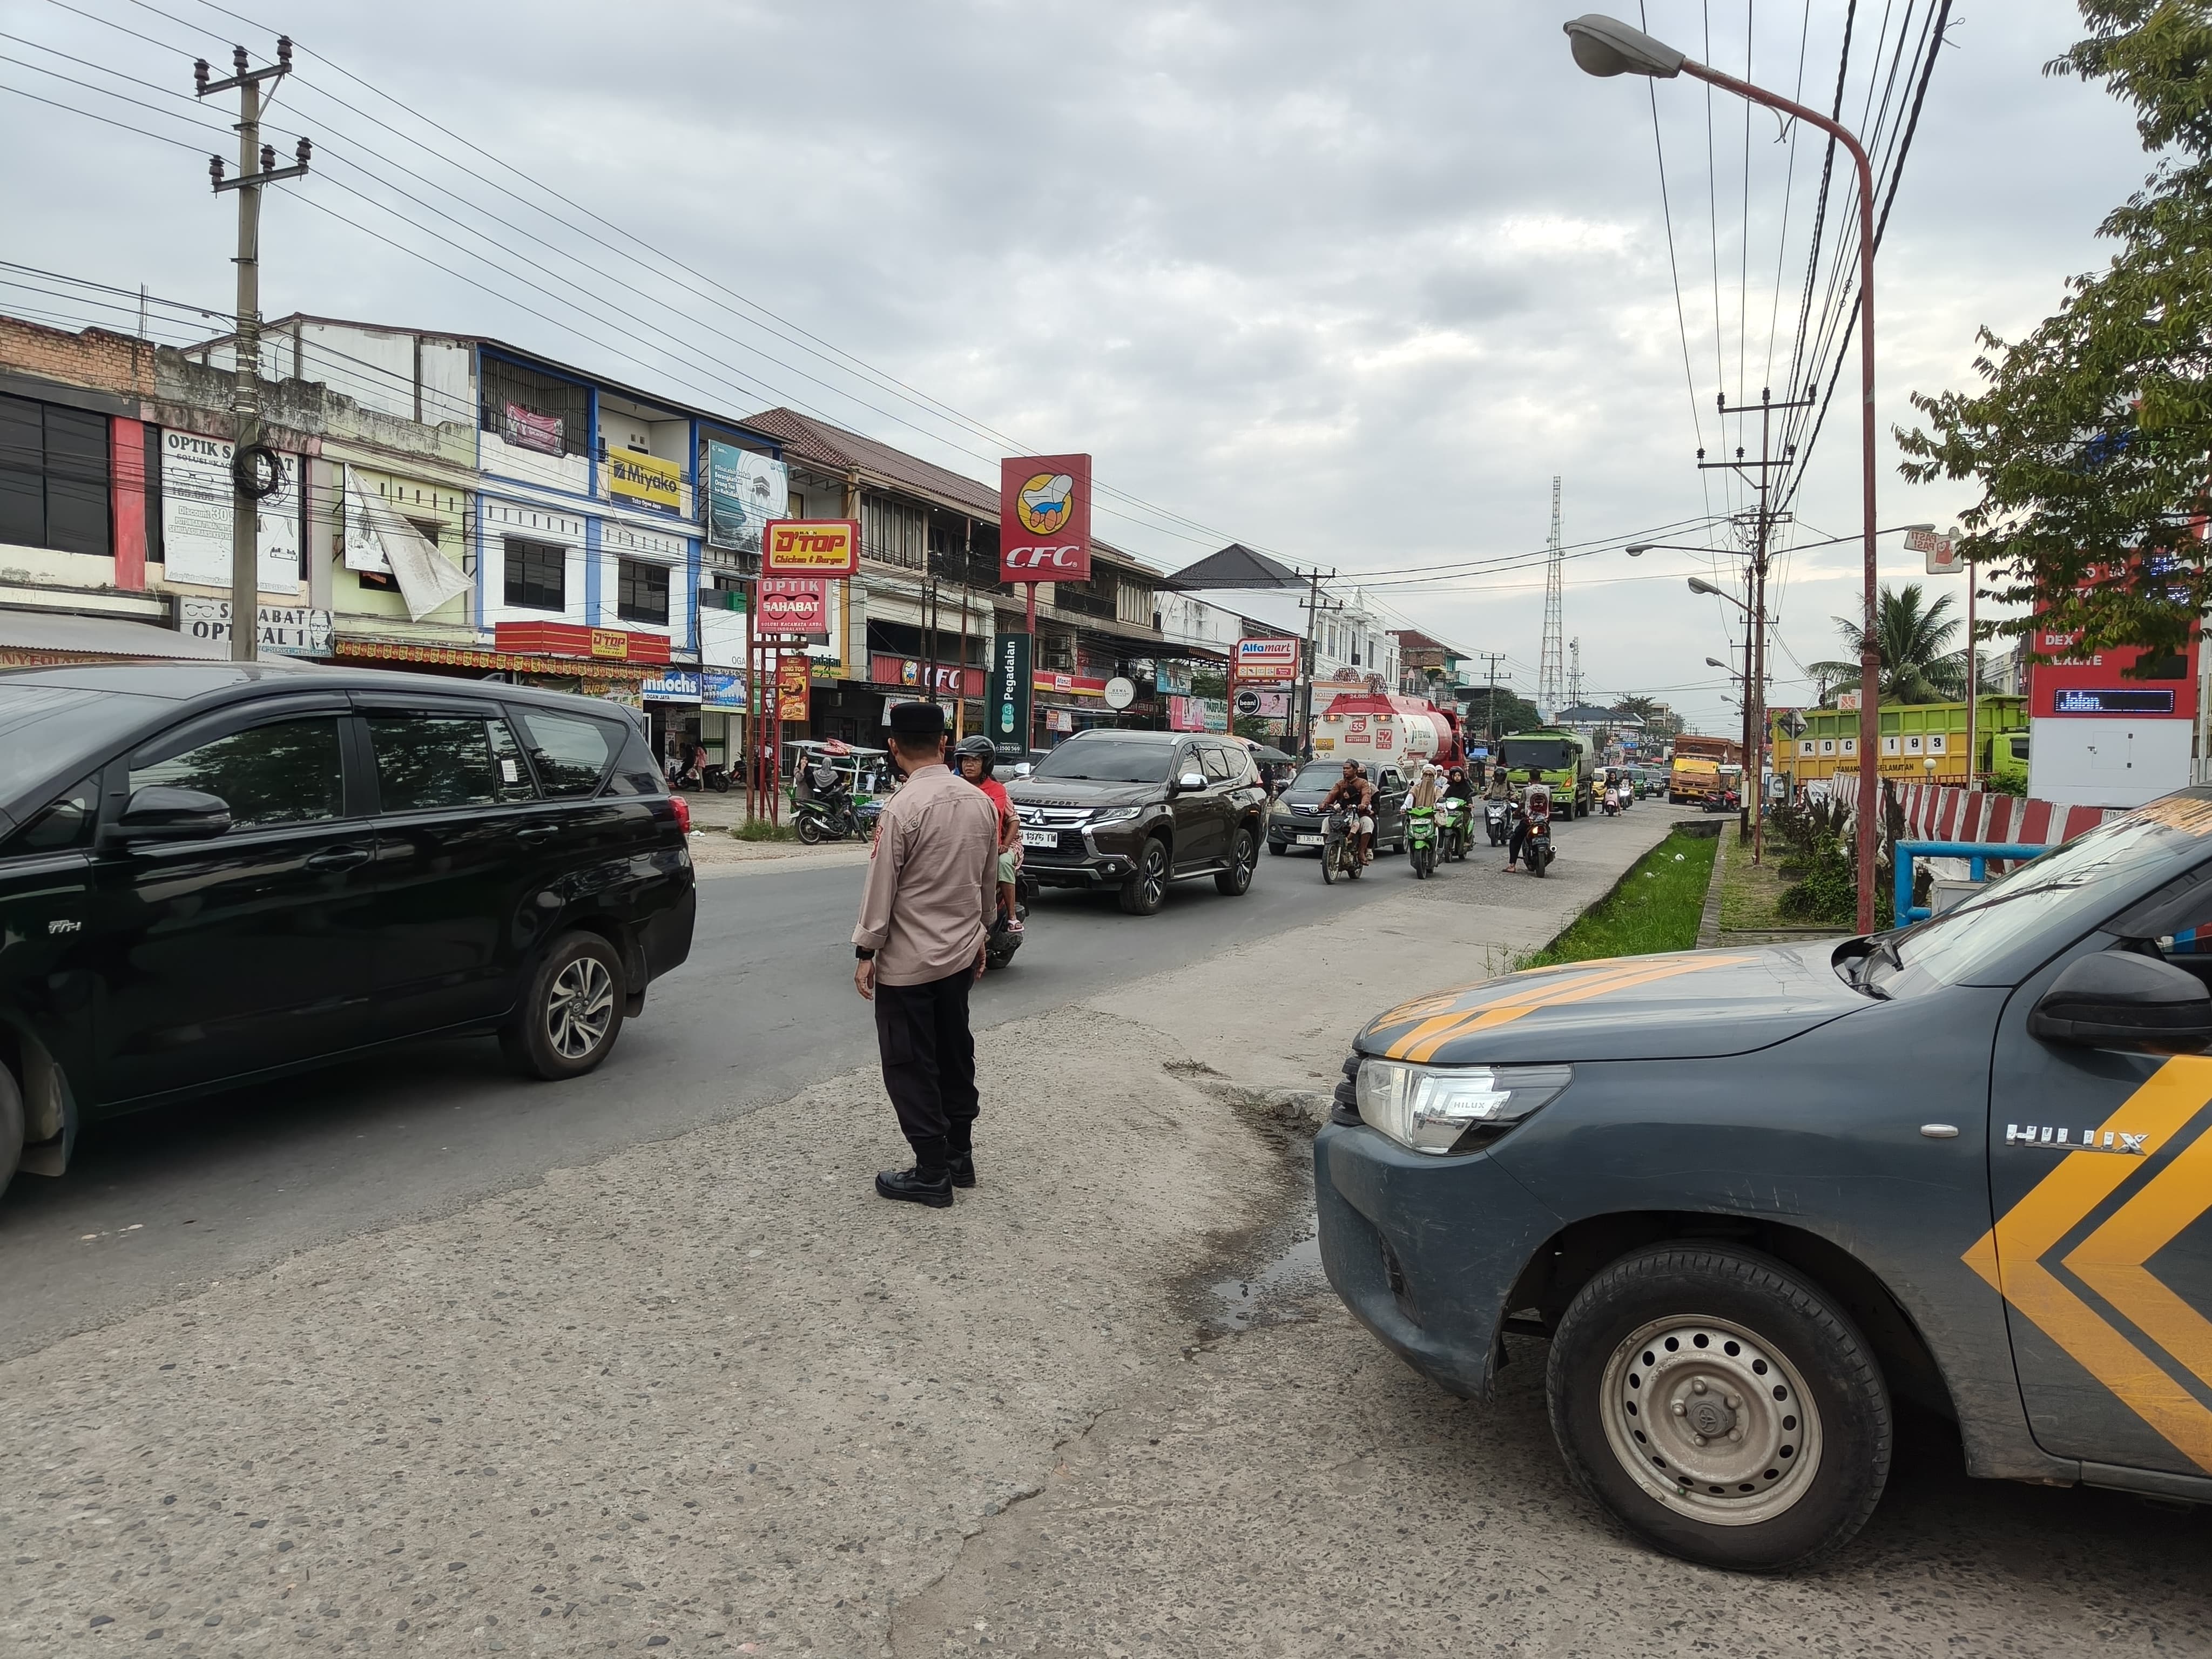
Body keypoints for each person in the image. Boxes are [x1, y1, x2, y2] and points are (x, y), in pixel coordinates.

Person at [852, 701, 1001, 1209]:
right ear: (945, 745)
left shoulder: (902, 808)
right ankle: (960, 1156)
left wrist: (866, 950)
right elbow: (987, 886)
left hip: (909, 965)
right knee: (954, 1053)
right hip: (960, 957)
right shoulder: (980, 802)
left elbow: (881, 890)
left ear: (893, 748)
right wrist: (982, 935)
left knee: (911, 1062)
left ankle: (931, 1172)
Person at [954, 733, 1022, 933]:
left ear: (986, 763)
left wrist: (1005, 845)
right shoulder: (954, 787)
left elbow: (1014, 820)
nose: (969, 765)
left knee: (1003, 864)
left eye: (975, 760)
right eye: (966, 759)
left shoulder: (998, 790)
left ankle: (1011, 917)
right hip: (966, 846)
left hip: (999, 847)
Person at [1318, 760, 1377, 865]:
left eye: (1347, 768)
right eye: (1344, 769)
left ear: (1355, 770)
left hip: (1358, 815)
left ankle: (1362, 852)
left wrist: (1363, 805)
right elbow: (1332, 794)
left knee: (1368, 823)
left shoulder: (1363, 783)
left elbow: (1366, 795)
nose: (1344, 771)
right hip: (1342, 815)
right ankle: (1328, 851)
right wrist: (1324, 804)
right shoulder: (1340, 783)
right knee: (1326, 822)